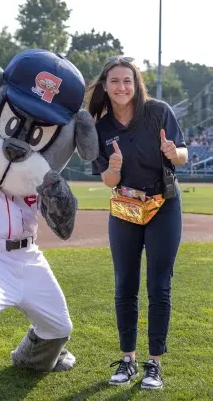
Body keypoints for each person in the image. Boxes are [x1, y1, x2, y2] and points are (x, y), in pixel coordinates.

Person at [86, 56, 188, 389]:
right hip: (125, 207)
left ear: (136, 83)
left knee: (159, 286)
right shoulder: (100, 129)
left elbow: (183, 155)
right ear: (105, 86)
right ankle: (127, 360)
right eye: (114, 81)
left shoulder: (158, 112)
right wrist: (114, 166)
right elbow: (106, 179)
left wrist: (175, 154)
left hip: (163, 204)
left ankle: (154, 364)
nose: (121, 87)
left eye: (127, 80)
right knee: (124, 284)